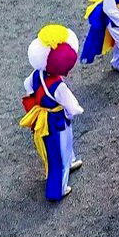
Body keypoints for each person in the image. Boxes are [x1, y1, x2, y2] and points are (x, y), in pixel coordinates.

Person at [17, 24, 83, 202]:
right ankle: (57, 189)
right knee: (59, 152)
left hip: (43, 117)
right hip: (56, 120)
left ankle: (70, 161)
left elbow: (28, 86)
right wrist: (75, 111)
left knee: (59, 148)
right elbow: (71, 105)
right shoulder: (58, 86)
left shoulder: (36, 74)